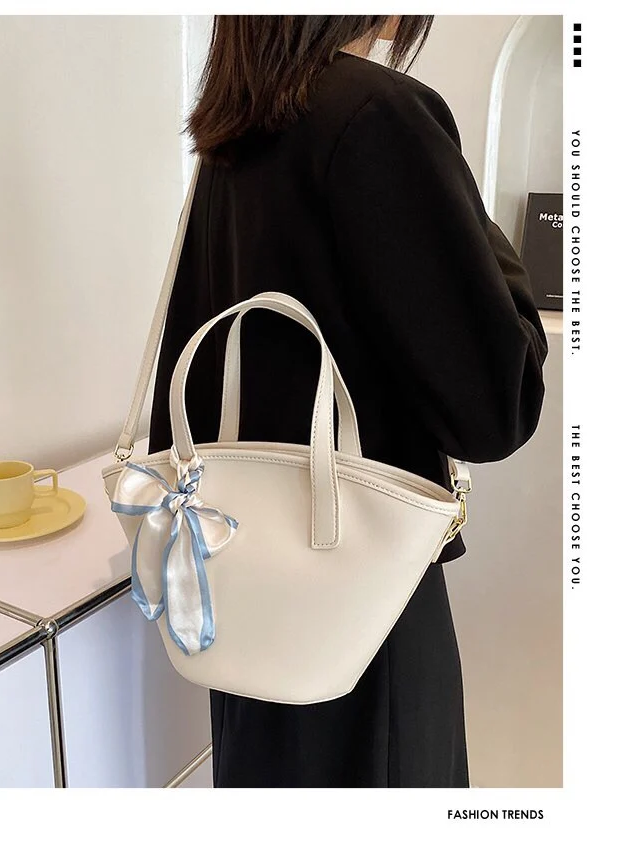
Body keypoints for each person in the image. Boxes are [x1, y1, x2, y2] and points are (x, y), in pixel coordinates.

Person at [147, 15, 548, 788]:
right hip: (362, 613)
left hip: (241, 592)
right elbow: (498, 404)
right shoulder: (377, 114)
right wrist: (473, 226)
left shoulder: (233, 128)